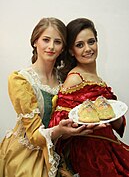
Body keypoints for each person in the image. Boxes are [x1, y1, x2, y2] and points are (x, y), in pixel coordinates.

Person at [0, 17, 90, 177]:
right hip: (27, 155)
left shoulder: (66, 79)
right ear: (35, 42)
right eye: (46, 40)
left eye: (57, 42)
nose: (51, 47)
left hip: (58, 150)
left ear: (63, 48)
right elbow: (34, 135)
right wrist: (60, 130)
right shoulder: (21, 80)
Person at [49, 18, 129, 177]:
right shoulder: (75, 79)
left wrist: (116, 116)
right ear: (71, 50)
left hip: (108, 145)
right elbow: (58, 123)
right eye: (80, 45)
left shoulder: (98, 79)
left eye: (91, 42)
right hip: (90, 154)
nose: (88, 48)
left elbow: (114, 123)